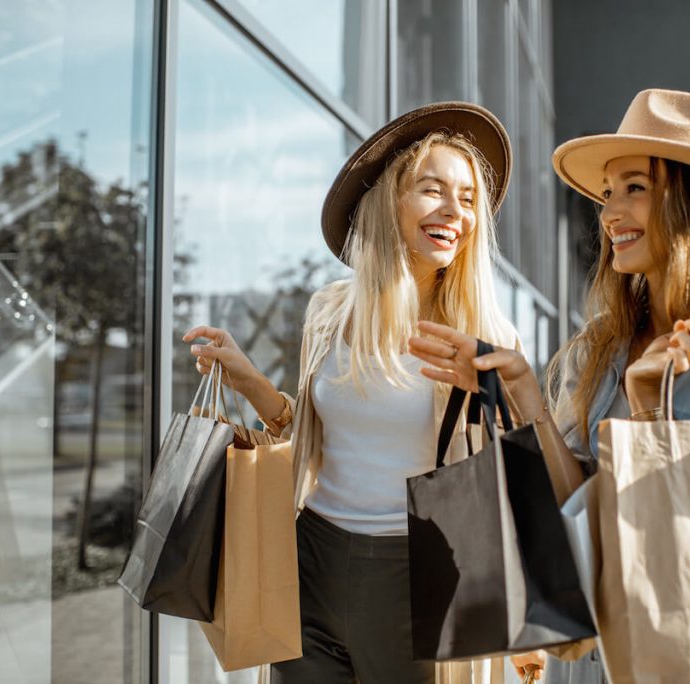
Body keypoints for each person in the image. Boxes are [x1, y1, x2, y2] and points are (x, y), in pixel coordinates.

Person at [408, 89, 690, 682]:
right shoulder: (599, 347)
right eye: (607, 193)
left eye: (634, 188)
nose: (609, 213)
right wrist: (525, 396)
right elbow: (574, 508)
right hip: (599, 652)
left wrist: (648, 418)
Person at [184, 102, 520, 684]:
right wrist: (250, 381)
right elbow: (314, 435)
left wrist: (492, 390)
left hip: (416, 578)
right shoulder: (330, 310)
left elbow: (511, 472)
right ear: (391, 199)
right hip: (309, 558)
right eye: (432, 190)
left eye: (467, 198)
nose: (453, 211)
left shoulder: (483, 334)